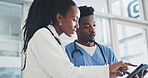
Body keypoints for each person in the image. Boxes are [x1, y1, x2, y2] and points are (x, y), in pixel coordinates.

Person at [21, 0, 136, 78]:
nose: (77, 25)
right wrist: (107, 70)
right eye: (75, 19)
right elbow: (67, 74)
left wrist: (109, 73)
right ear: (60, 17)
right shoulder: (43, 36)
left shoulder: (53, 39)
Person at [65, 6, 147, 78]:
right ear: (76, 27)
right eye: (87, 26)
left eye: (94, 25)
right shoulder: (67, 51)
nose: (92, 30)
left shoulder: (107, 52)